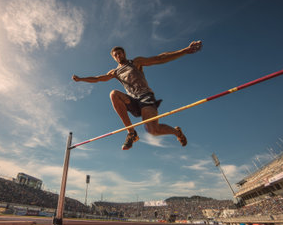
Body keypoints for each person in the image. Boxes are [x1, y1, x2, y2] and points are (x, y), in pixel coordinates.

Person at [72, 41, 202, 150]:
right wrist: (81, 79)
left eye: (120, 53)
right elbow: (98, 78)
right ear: (114, 58)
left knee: (153, 130)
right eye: (115, 55)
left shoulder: (136, 62)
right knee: (114, 94)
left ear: (124, 54)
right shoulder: (115, 72)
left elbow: (159, 58)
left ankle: (177, 132)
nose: (118, 56)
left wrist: (185, 50)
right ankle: (131, 133)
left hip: (145, 97)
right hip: (132, 100)